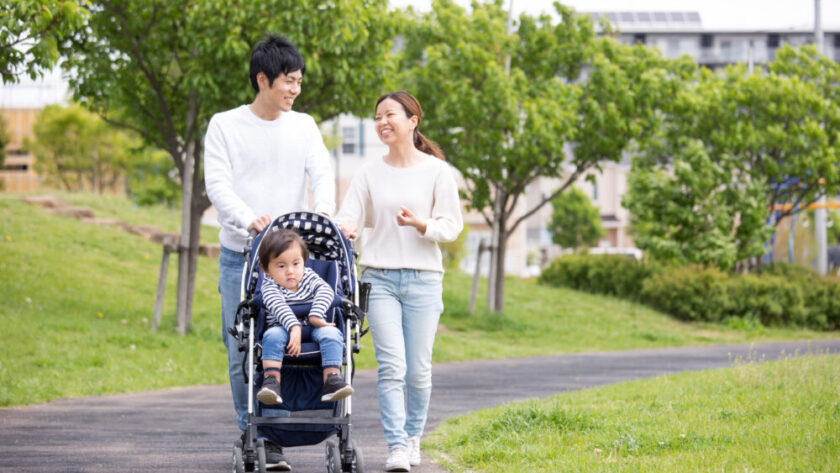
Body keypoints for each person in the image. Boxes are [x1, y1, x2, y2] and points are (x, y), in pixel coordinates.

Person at [204, 34, 334, 472]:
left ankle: (289, 432)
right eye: (288, 81)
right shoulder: (225, 125)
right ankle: (256, 433)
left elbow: (323, 174)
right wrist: (250, 218)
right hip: (241, 256)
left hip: (293, 263)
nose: (295, 89)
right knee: (243, 347)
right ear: (263, 79)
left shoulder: (305, 125)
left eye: (299, 81)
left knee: (299, 345)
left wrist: (326, 216)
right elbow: (218, 186)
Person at [336, 91, 463, 472]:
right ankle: (395, 448)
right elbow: (350, 216)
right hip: (380, 279)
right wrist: (347, 226)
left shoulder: (437, 171)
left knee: (418, 369)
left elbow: (452, 226)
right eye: (377, 117)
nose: (382, 122)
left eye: (390, 115)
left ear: (413, 121)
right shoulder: (368, 171)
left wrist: (422, 224)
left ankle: (412, 439)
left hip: (424, 280)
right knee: (392, 366)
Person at [256, 228, 353, 405]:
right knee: (271, 336)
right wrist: (294, 326)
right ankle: (272, 382)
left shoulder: (309, 276)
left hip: (315, 326)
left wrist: (316, 315)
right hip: (282, 328)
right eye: (281, 265)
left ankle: (331, 379)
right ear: (266, 269)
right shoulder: (269, 286)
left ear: (304, 262)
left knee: (332, 334)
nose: (290, 271)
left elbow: (326, 291)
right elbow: (278, 307)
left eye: (296, 264)